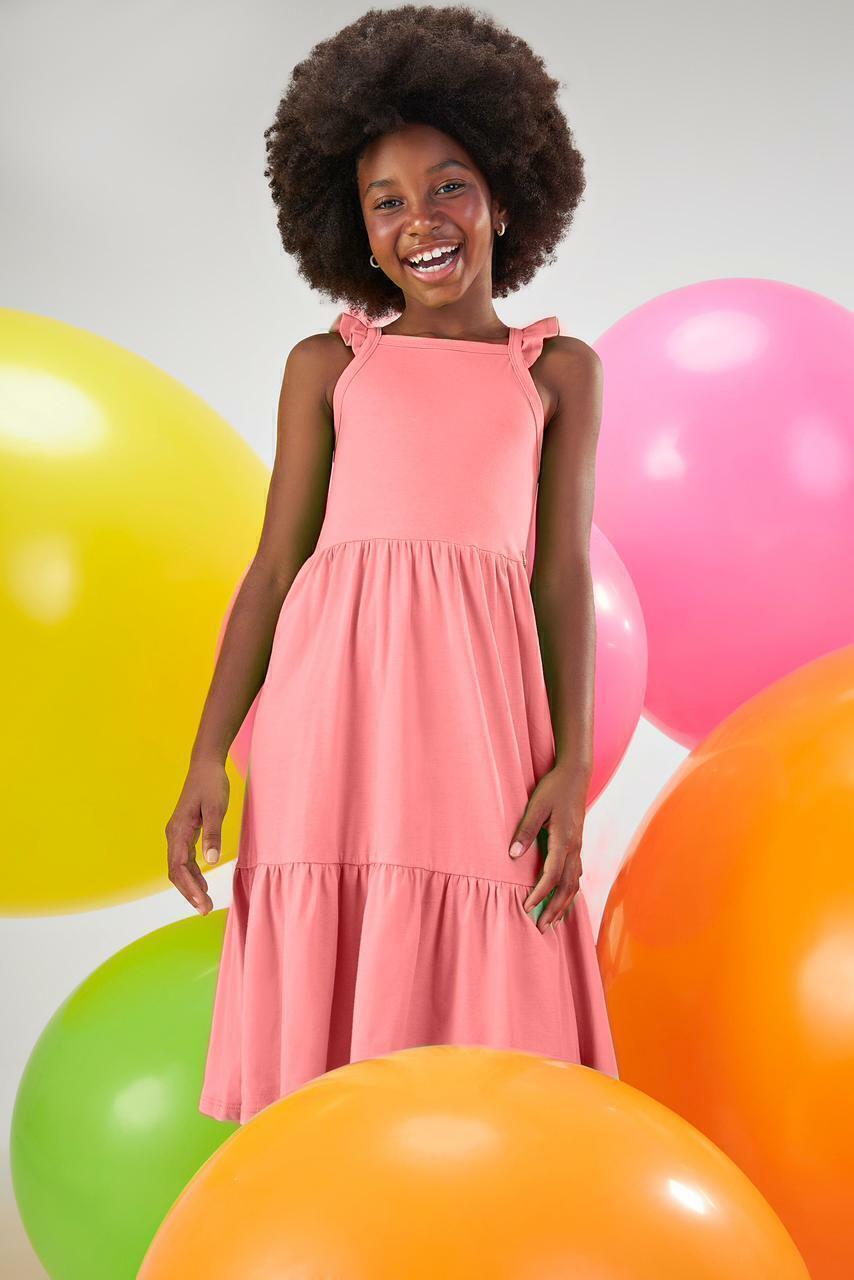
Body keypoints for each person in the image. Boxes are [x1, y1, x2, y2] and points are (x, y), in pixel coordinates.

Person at [165, 4, 619, 1126]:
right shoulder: (329, 366)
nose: (421, 218)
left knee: (497, 953)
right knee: (336, 987)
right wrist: (209, 753)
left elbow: (558, 578)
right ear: (355, 231)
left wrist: (568, 767)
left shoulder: (555, 371)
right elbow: (276, 568)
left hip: (478, 725)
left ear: (506, 198)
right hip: (329, 722)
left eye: (449, 185)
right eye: (386, 200)